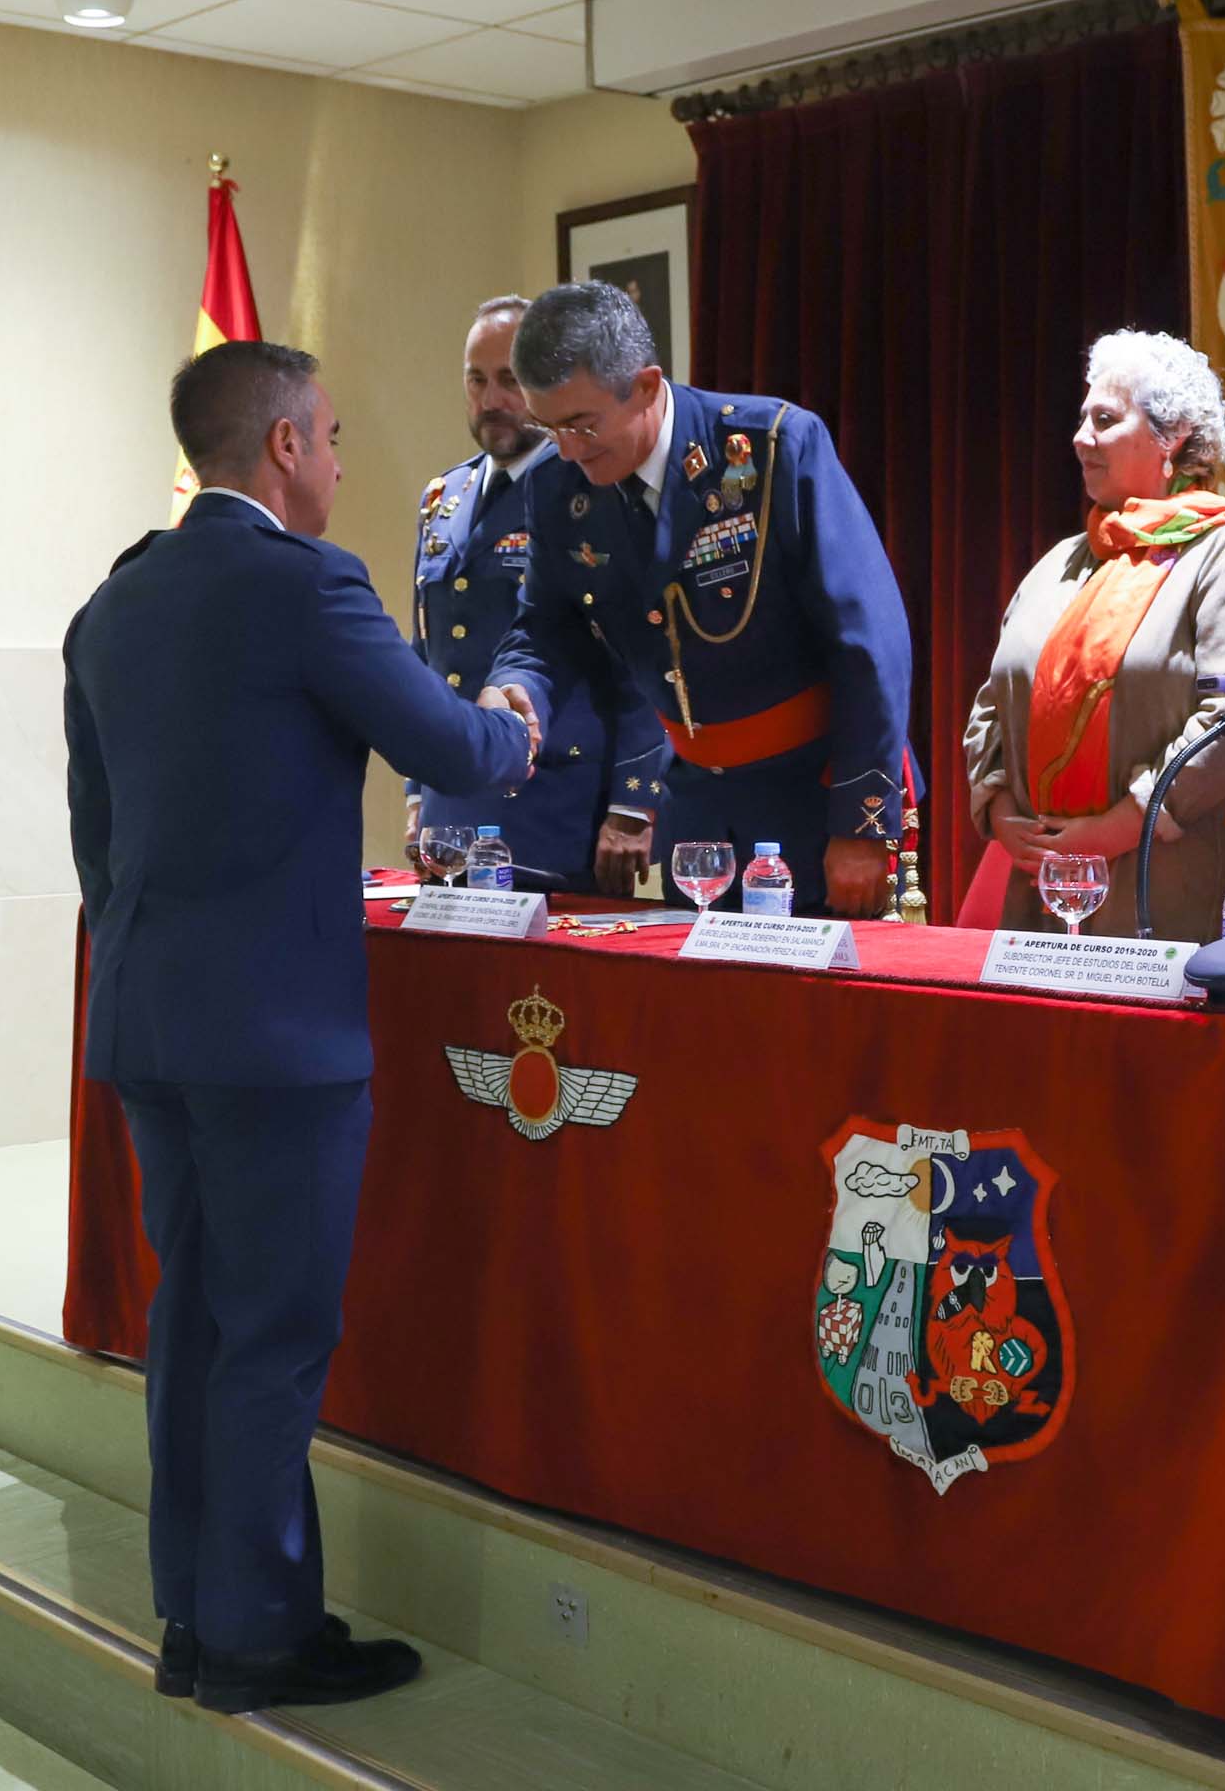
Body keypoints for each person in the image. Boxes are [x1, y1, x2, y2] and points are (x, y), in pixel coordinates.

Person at [63, 339, 534, 1714]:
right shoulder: (306, 584)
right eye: (328, 436)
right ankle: (258, 1641)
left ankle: (199, 1622)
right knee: (270, 1338)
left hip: (152, 1028)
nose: (337, 461)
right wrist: (520, 706)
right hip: (279, 1047)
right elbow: (451, 752)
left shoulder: (114, 604)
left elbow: (95, 846)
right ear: (280, 449)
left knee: (195, 1326)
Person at [484, 280, 916, 917]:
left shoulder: (772, 448)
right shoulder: (554, 487)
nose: (569, 450)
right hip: (698, 819)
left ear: (647, 386)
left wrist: (861, 823)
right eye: (548, 428)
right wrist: (514, 681)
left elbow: (869, 642)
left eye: (582, 425)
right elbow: (546, 626)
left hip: (814, 800)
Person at [963, 331, 1225, 940]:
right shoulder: (1059, 564)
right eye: (1082, 418)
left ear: (1171, 437)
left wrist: (1121, 826)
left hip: (1164, 887)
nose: (1080, 438)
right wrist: (998, 809)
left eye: (1105, 419)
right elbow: (993, 701)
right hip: (1038, 894)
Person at [404, 295, 665, 892]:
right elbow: (429, 652)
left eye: (509, 381)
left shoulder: (595, 488)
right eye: (477, 379)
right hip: (454, 799)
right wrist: (419, 791)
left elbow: (644, 654)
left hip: (558, 801)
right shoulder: (442, 496)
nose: (491, 400)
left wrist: (634, 798)